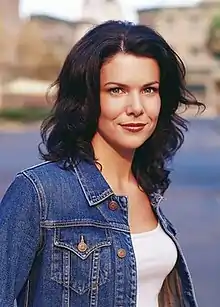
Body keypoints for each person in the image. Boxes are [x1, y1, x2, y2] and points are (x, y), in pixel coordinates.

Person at [0, 20, 204, 307]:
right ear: (87, 98)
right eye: (117, 90)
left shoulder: (148, 189)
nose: (136, 107)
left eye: (149, 90)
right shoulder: (39, 192)